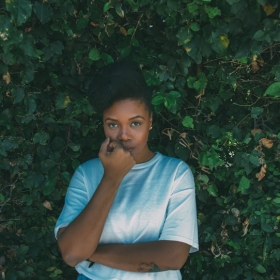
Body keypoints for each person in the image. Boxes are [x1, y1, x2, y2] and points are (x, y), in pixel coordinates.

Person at [54, 60, 199, 280]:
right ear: (103, 124)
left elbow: (173, 256)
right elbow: (73, 253)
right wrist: (112, 177)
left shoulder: (175, 174)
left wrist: (90, 252)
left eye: (135, 123)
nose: (124, 135)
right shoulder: (87, 174)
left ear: (150, 120)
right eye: (113, 124)